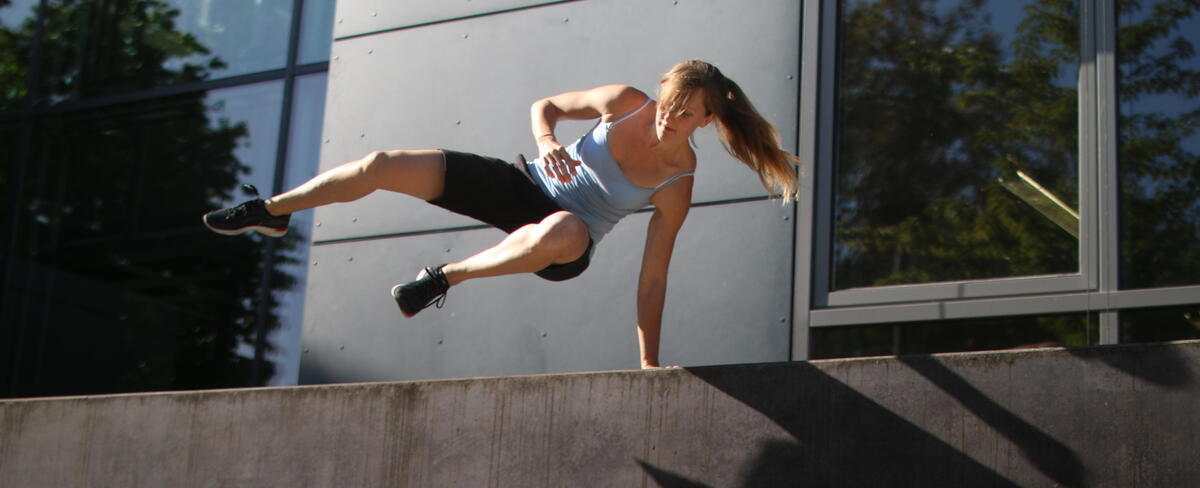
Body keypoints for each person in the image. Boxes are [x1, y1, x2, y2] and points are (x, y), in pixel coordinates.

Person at [202, 59, 799, 369]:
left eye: (687, 114)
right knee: (384, 162)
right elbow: (545, 107)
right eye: (670, 105)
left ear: (708, 120)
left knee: (563, 228)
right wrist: (546, 143)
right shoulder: (624, 103)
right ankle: (272, 210)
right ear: (662, 91)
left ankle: (443, 278)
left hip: (567, 244)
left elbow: (654, 277)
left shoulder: (677, 183)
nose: (669, 120)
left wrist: (647, 362)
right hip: (521, 185)